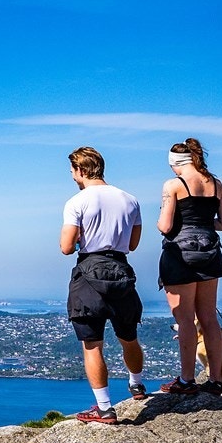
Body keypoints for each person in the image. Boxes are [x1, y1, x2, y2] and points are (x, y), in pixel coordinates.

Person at [60, 146, 148, 423]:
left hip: (88, 275)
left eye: (73, 171)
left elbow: (65, 247)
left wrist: (81, 237)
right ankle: (136, 384)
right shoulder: (130, 200)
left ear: (81, 170)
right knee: (128, 336)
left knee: (92, 345)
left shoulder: (77, 201)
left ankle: (105, 408)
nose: (73, 177)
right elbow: (133, 244)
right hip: (120, 271)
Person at [157, 137, 222, 395]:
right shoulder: (216, 184)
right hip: (210, 252)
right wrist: (201, 225)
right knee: (209, 317)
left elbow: (165, 226)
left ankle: (187, 380)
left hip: (181, 255)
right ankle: (215, 380)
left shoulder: (174, 185)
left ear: (176, 163)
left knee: (185, 319)